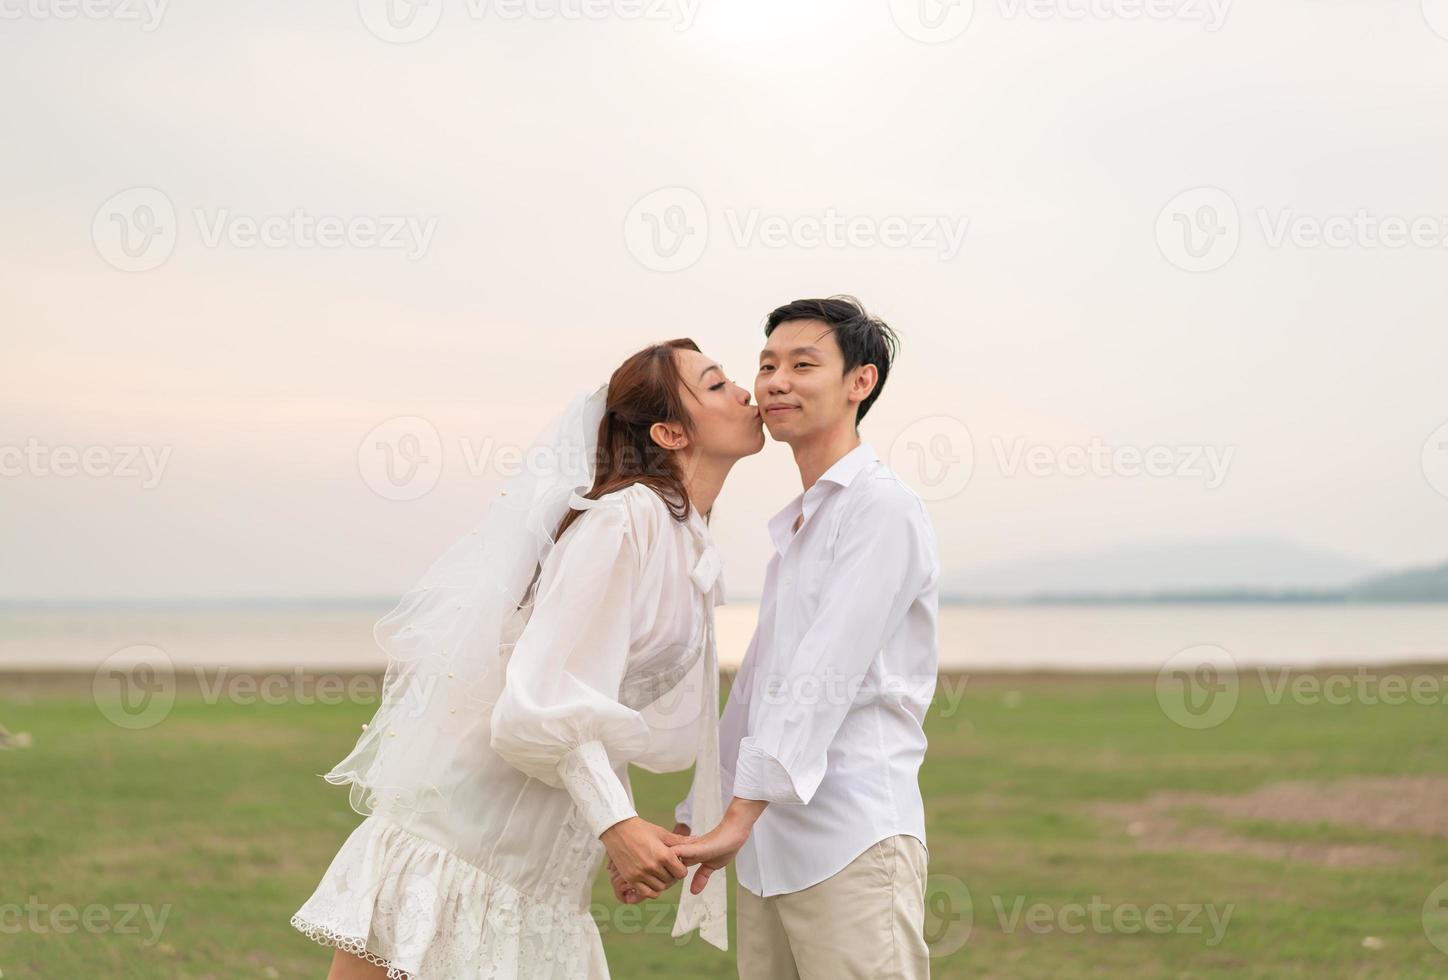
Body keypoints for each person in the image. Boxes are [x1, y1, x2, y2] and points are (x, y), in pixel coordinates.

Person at [291, 338, 764, 979]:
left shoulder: (687, 539)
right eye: (716, 384)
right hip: (472, 827)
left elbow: (597, 702)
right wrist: (616, 822)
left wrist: (629, 830)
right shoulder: (624, 519)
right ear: (670, 431)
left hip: (551, 850)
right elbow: (541, 697)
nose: (745, 391)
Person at [673, 297, 941, 979]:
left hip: (849, 839)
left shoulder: (881, 508)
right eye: (766, 365)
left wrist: (735, 817)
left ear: (861, 382)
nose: (775, 382)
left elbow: (820, 681)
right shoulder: (801, 523)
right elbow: (763, 687)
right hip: (768, 850)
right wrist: (704, 811)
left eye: (802, 364)